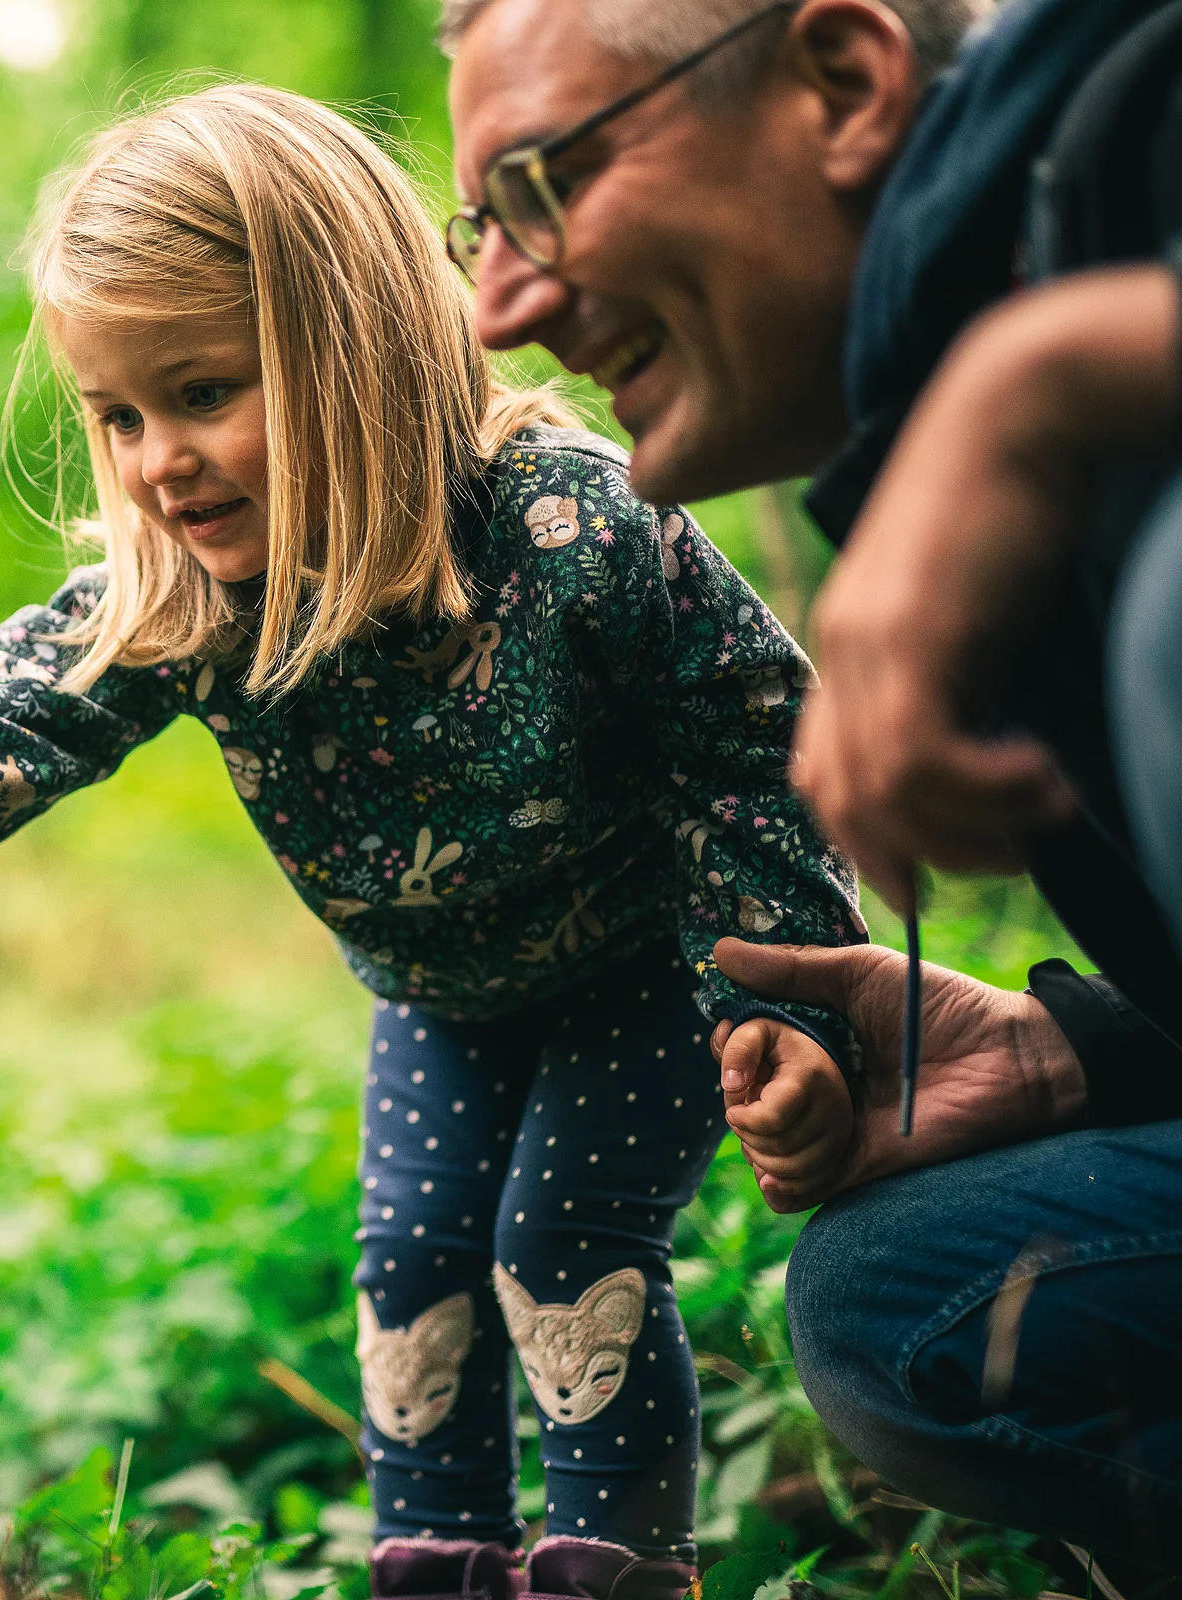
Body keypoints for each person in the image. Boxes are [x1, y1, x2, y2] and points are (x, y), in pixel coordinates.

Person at [0, 84, 865, 1600]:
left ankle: (621, 1570)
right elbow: (23, 704)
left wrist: (786, 996)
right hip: (440, 992)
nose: (160, 460)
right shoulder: (196, 590)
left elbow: (762, 739)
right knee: (414, 1274)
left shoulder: (578, 532)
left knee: (560, 1243)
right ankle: (439, 1571)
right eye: (120, 416)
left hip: (645, 969)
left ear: (356, 347)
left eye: (205, 392)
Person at [442, 0, 1182, 1568]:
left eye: (541, 186)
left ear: (843, 83)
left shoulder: (1134, 123)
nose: (501, 302)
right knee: (893, 1291)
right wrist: (1081, 1053)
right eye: (481, 222)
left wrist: (1033, 392)